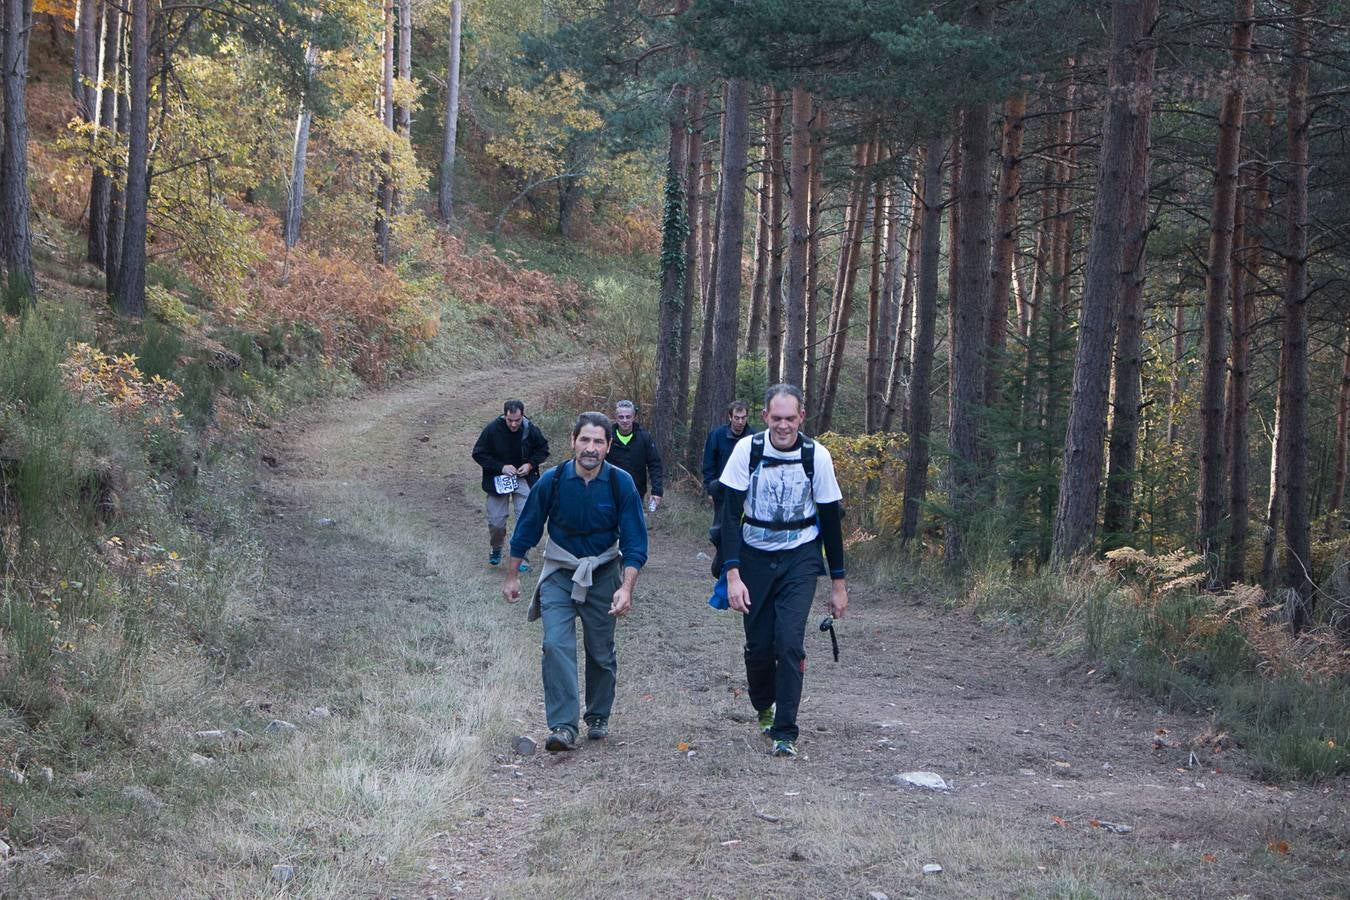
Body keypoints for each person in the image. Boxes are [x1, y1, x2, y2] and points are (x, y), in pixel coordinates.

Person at [502, 411, 648, 752]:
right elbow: (527, 530)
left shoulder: (620, 483)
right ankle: (563, 726)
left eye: (598, 441)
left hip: (603, 572)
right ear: (572, 442)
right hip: (560, 572)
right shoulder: (552, 481)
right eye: (585, 439)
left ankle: (598, 715)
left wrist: (626, 588)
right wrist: (512, 575)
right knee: (555, 645)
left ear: (609, 446)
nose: (591, 448)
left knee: (600, 651)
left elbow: (635, 542)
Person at [718, 384, 849, 758]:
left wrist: (838, 584)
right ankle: (763, 705)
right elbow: (729, 516)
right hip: (754, 556)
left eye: (790, 418)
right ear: (765, 418)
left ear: (802, 417)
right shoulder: (748, 450)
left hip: (801, 557)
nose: (784, 426)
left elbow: (830, 521)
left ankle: (785, 731)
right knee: (760, 647)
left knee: (789, 641)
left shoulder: (816, 457)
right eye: (777, 418)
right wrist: (732, 574)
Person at [472, 400, 550, 568]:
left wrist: (530, 465)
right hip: (498, 480)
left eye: (517, 420)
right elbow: (478, 453)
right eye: (510, 420)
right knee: (496, 522)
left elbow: (543, 449)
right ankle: (496, 548)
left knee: (525, 517)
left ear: (522, 416)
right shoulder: (492, 429)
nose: (514, 424)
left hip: (523, 478)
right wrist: (501, 467)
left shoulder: (530, 429)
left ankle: (521, 555)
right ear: (504, 416)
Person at [606, 400, 664, 511]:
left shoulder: (644, 437)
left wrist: (657, 491)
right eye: (621, 417)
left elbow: (654, 464)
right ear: (616, 418)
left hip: (636, 493)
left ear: (634, 417)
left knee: (632, 527)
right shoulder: (607, 437)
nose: (625, 420)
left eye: (628, 417)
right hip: (610, 492)